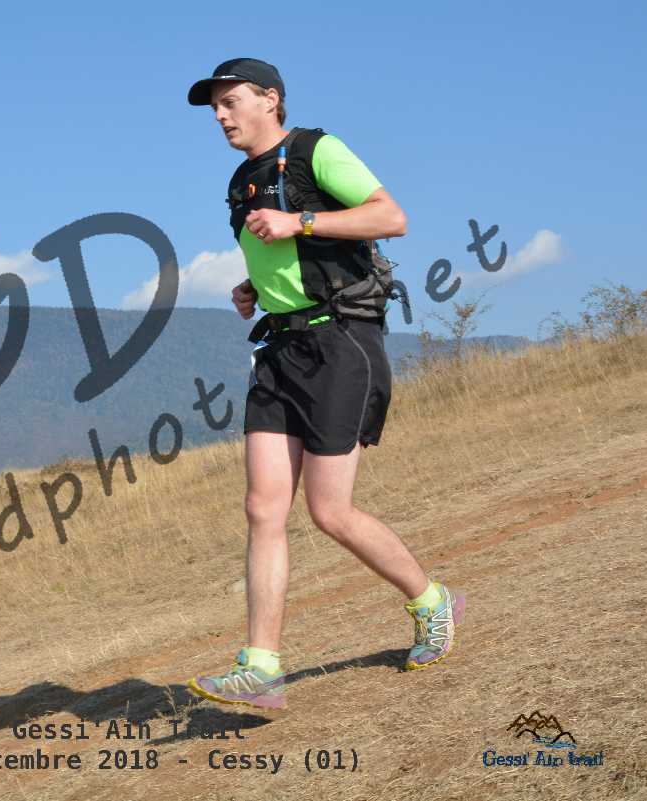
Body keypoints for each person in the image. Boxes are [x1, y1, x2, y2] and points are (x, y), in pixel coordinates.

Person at [183, 58, 465, 710]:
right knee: (262, 508)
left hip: (341, 342)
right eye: (215, 107)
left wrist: (300, 223)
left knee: (330, 510)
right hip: (280, 348)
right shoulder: (242, 181)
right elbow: (285, 256)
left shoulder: (316, 151)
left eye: (230, 101)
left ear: (270, 99)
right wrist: (256, 287)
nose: (220, 116)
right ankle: (261, 667)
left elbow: (391, 217)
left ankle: (431, 601)